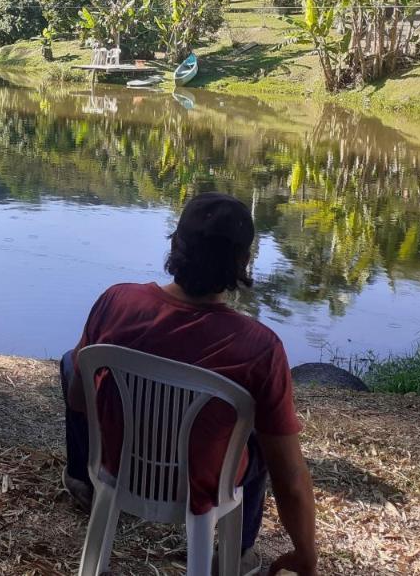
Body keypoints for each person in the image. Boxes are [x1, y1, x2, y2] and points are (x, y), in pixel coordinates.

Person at [61, 192, 317, 576]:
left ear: (175, 244)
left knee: (72, 362)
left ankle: (83, 476)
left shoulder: (116, 302)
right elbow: (291, 477)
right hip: (205, 486)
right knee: (265, 443)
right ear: (242, 263)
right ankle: (240, 549)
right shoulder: (260, 348)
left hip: (120, 465)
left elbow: (80, 400)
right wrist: (306, 554)